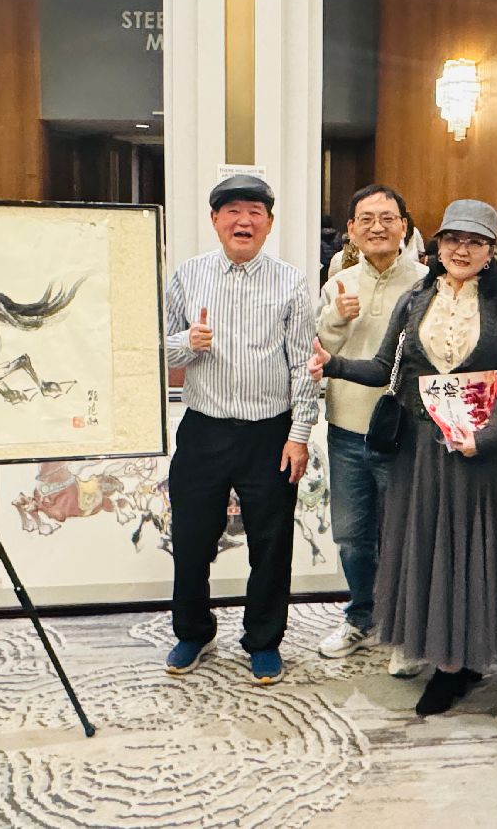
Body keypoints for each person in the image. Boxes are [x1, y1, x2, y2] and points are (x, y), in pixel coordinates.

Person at [309, 199, 497, 715]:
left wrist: (487, 438)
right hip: (421, 447)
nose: (462, 249)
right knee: (427, 547)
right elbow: (382, 366)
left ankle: (464, 661)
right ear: (438, 244)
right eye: (453, 239)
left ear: (490, 251)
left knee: (472, 549)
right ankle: (439, 654)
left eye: (475, 242)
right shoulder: (416, 299)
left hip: (478, 454)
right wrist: (334, 364)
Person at [161, 174, 317, 685]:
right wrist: (187, 342)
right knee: (190, 538)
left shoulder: (291, 282)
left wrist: (299, 435)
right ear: (214, 220)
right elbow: (158, 348)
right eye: (232, 211)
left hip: (269, 433)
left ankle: (263, 640)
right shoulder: (188, 276)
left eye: (254, 212)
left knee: (271, 545)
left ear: (269, 223)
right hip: (203, 429)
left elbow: (303, 364)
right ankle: (193, 631)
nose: (243, 221)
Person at [314, 185, 427, 675]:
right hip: (346, 429)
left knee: (404, 534)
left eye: (387, 217)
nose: (377, 227)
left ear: (404, 225)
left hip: (405, 431)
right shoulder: (339, 281)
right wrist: (338, 317)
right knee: (352, 536)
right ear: (352, 230)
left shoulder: (426, 282)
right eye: (366, 219)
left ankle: (406, 630)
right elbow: (319, 349)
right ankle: (362, 617)